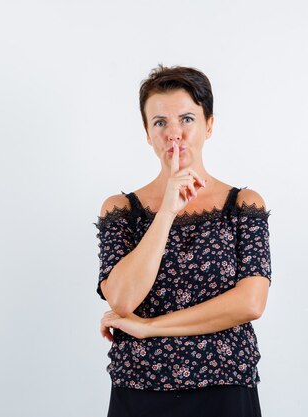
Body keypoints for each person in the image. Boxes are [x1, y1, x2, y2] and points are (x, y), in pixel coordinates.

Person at [94, 64, 272, 417]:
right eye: (160, 123)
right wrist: (166, 213)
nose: (174, 134)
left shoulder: (243, 204)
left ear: (209, 125)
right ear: (146, 132)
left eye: (186, 119)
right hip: (140, 387)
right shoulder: (120, 209)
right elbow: (124, 299)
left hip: (224, 385)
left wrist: (149, 328)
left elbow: (250, 303)